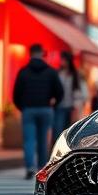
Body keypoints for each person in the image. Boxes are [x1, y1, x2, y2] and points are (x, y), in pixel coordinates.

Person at [12, 43, 64, 178]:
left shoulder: (23, 72)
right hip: (46, 109)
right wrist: (53, 104)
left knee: (29, 140)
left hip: (28, 109)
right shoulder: (51, 72)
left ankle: (30, 167)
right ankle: (42, 168)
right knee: (43, 140)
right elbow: (60, 92)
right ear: (42, 54)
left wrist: (22, 107)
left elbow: (16, 94)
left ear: (30, 54)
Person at [54, 50, 85, 138]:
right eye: (61, 60)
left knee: (67, 132)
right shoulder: (58, 73)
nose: (61, 62)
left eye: (63, 60)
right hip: (59, 106)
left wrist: (76, 106)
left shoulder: (74, 75)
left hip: (71, 107)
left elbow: (77, 91)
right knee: (57, 131)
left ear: (68, 61)